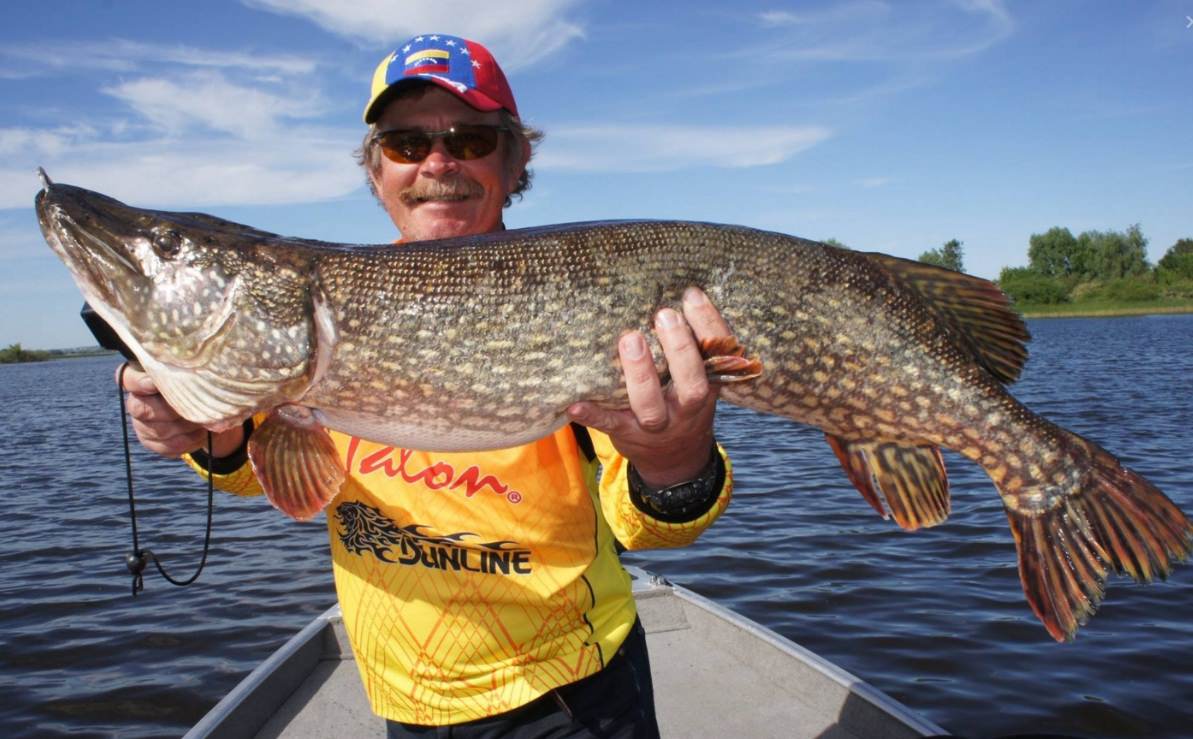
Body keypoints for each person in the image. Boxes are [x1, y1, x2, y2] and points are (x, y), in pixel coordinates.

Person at [120, 34, 736, 737]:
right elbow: (275, 474)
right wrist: (212, 434)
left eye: (469, 139)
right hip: (403, 694)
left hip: (571, 691)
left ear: (515, 159)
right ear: (376, 168)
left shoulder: (581, 294)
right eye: (406, 144)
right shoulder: (322, 321)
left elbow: (646, 524)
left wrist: (674, 460)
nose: (437, 164)